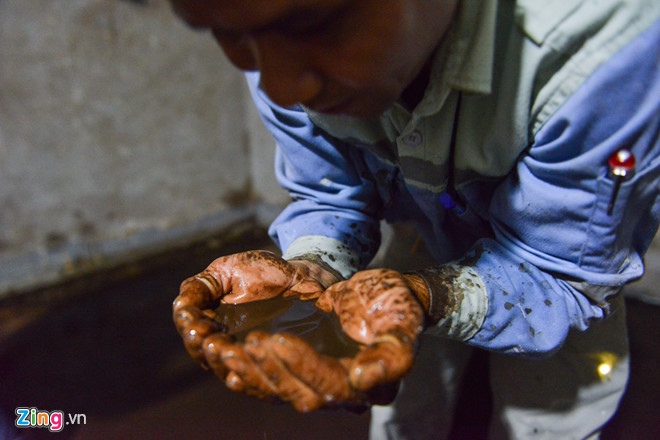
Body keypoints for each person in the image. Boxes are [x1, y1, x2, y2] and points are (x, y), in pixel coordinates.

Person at [168, 0, 660, 438]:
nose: (278, 86)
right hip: (422, 229)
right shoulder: (265, 29)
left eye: (311, 26)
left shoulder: (606, 51)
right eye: (228, 35)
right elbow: (329, 192)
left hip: (562, 253)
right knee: (400, 396)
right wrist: (314, 264)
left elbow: (558, 269)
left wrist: (432, 296)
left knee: (550, 412)